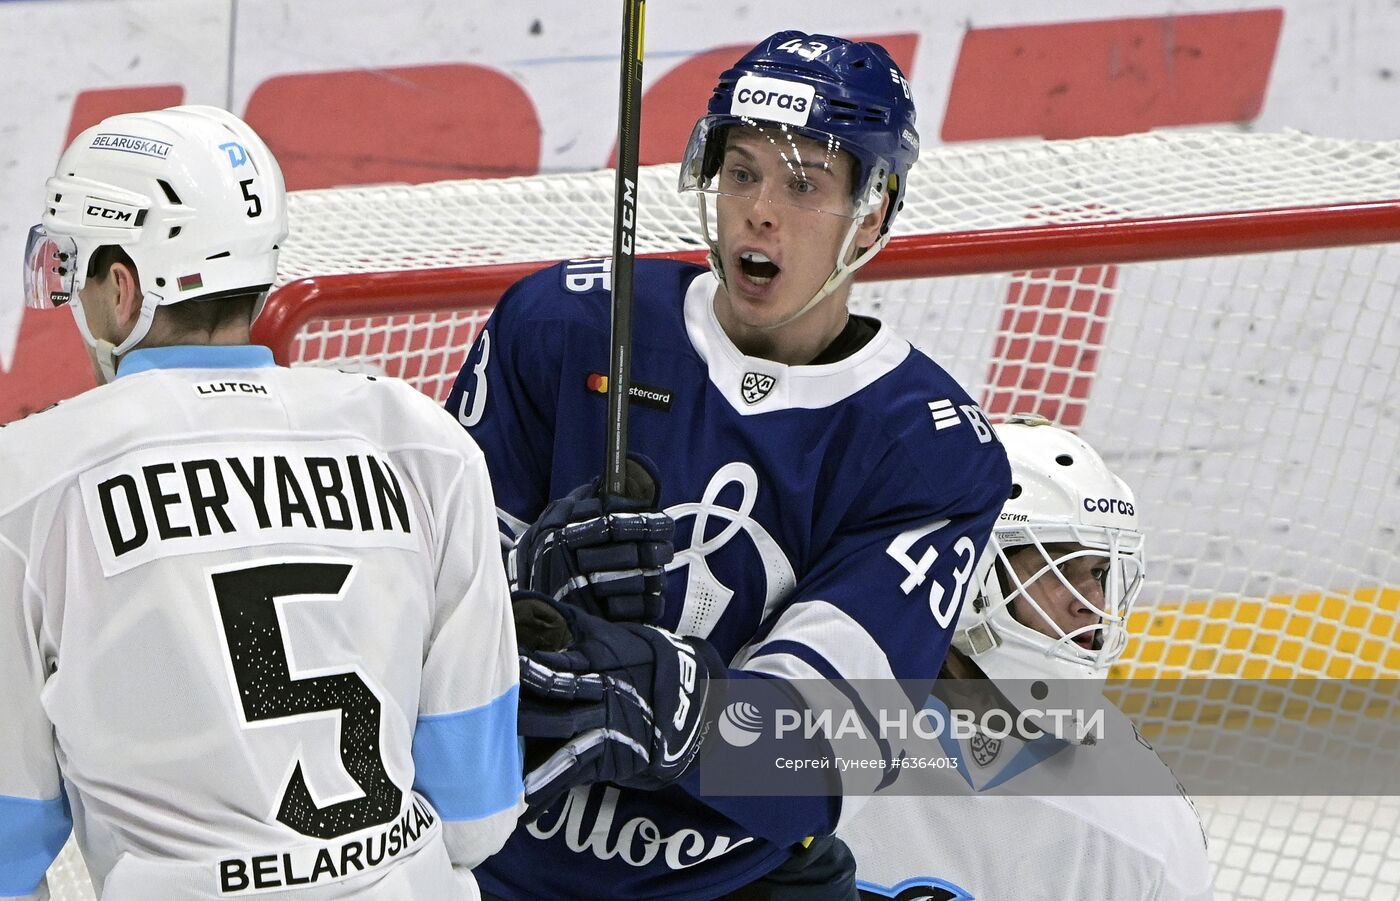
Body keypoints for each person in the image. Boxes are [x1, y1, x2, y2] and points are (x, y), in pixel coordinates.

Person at [446, 31, 1011, 900]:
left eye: (804, 184)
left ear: (872, 213)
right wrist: (519, 585)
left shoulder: (928, 451)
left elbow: (820, 756)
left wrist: (677, 706)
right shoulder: (561, 326)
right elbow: (422, 622)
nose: (759, 212)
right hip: (500, 859)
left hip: (731, 882)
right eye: (742, 172)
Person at [2, 106, 523, 899]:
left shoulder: (30, 480)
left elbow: (9, 846)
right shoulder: (421, 442)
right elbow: (476, 815)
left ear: (123, 287)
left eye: (77, 276)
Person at [840, 413, 1215, 901]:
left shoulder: (1146, 818)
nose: (1094, 603)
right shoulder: (823, 737)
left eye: (1100, 573)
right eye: (1059, 569)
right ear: (967, 575)